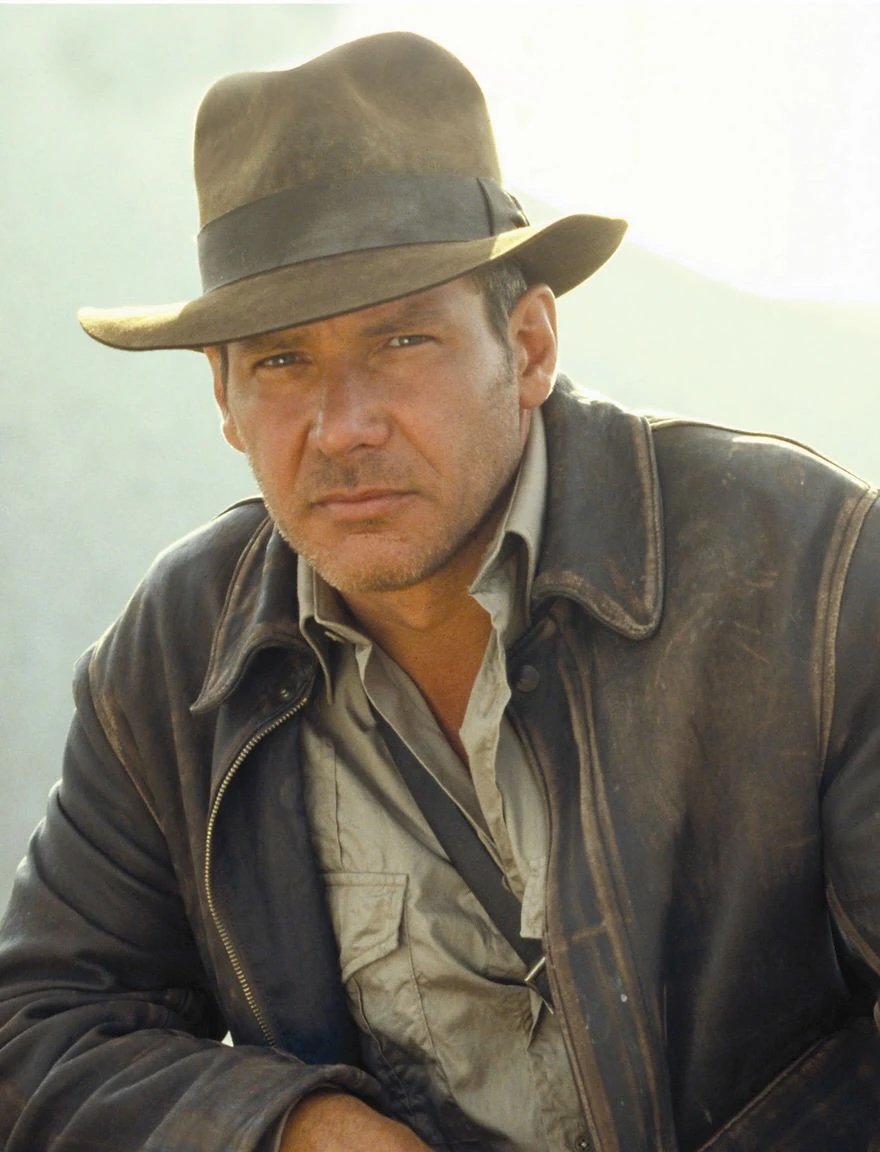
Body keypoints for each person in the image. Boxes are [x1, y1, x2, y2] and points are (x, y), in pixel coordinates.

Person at [0, 28, 877, 1152]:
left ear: (529, 345)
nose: (342, 426)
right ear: (222, 400)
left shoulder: (807, 569)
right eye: (281, 361)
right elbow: (42, 1026)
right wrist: (294, 1129)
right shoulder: (172, 662)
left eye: (401, 339)